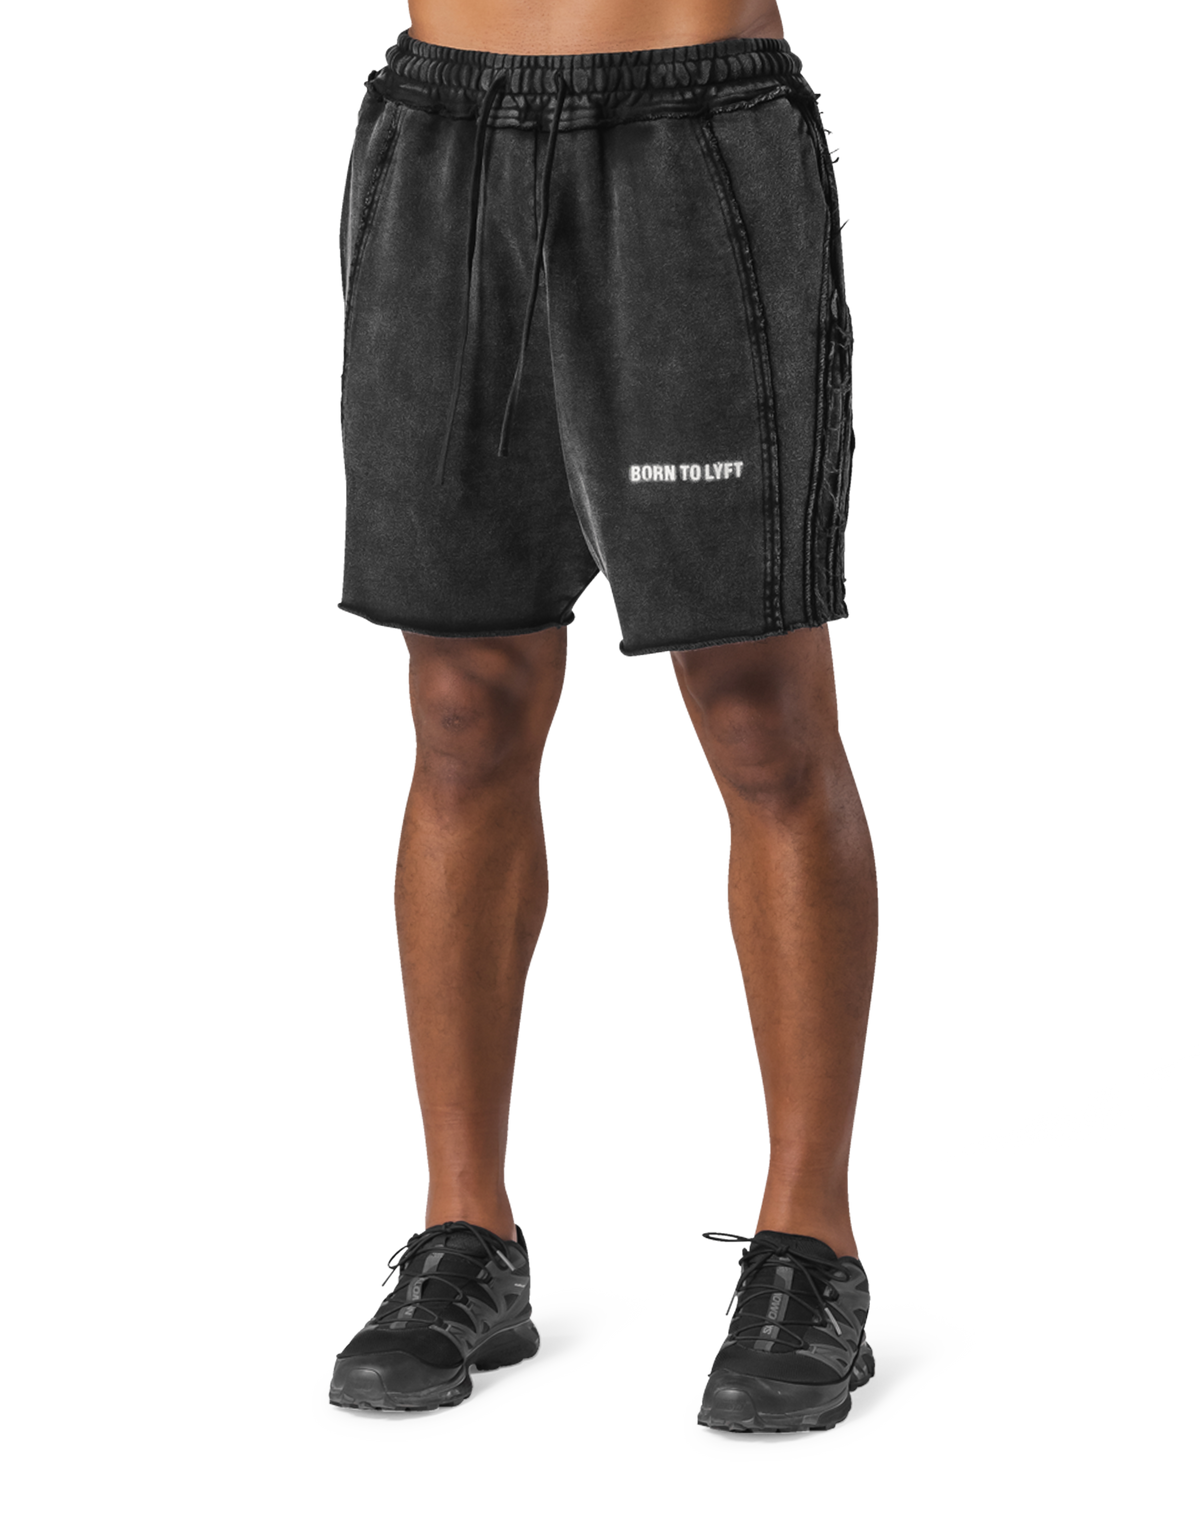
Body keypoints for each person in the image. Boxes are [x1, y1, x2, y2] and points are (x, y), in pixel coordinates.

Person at [330, 0, 880, 1434]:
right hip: (445, 131)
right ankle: (465, 1230)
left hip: (689, 133)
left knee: (757, 707)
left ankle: (810, 1240)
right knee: (461, 703)